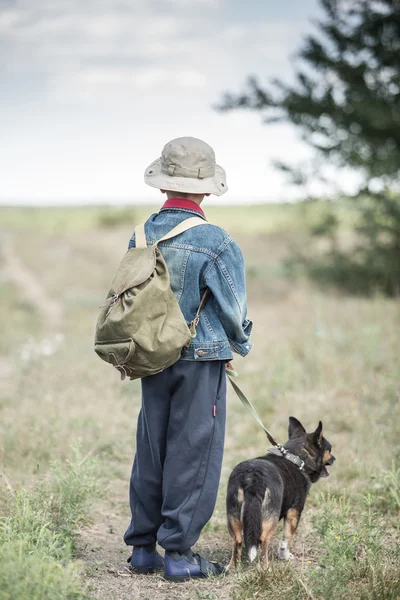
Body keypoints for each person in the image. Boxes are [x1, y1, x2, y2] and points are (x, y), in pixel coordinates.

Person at [123, 136, 253, 581]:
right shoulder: (215, 239)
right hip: (200, 360)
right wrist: (236, 346)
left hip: (149, 356)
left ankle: (142, 547)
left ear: (164, 185)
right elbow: (233, 309)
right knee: (193, 452)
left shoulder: (141, 233)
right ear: (205, 189)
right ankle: (178, 555)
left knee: (151, 447)